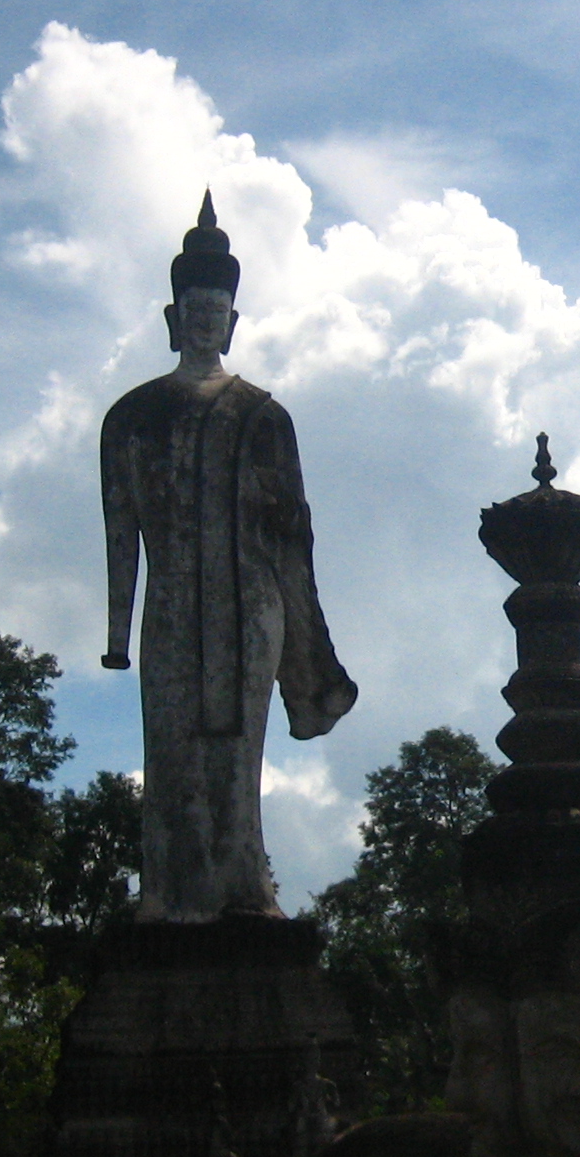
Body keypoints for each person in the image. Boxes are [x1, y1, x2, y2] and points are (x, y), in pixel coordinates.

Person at [100, 194, 356, 921]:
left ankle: (245, 888)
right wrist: (117, 636)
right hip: (173, 606)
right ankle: (163, 891)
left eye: (218, 310)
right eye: (196, 309)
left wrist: (304, 638)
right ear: (173, 317)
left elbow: (295, 539)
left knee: (237, 758)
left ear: (233, 321)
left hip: (251, 605)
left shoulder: (263, 417)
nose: (206, 320)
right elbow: (120, 533)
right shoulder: (133, 417)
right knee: (170, 754)